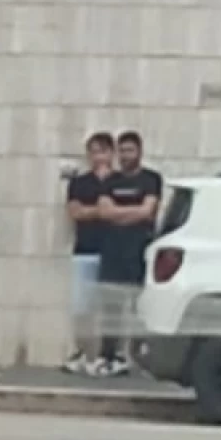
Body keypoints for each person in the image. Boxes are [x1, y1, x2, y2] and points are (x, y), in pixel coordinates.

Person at [92, 130, 163, 377]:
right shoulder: (110, 181)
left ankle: (136, 356)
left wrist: (119, 214)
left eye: (129, 150)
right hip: (112, 250)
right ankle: (107, 356)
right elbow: (103, 212)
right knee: (110, 305)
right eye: (121, 151)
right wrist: (132, 213)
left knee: (138, 305)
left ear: (140, 152)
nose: (125, 156)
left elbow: (148, 211)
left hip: (138, 250)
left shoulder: (151, 179)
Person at [62, 132, 114, 375]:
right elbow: (76, 212)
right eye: (94, 151)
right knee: (81, 307)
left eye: (103, 151)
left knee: (109, 308)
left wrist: (102, 210)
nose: (98, 157)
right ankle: (82, 352)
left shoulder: (119, 182)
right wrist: (103, 211)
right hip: (85, 250)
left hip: (113, 251)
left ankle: (107, 355)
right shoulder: (79, 183)